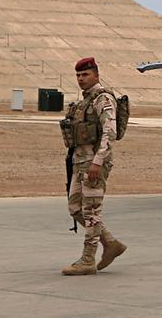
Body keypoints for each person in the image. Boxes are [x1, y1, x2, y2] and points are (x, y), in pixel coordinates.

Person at [60, 57, 127, 275]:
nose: (81, 79)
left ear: (96, 75)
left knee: (91, 211)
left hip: (94, 163)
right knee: (75, 208)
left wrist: (97, 162)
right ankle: (110, 243)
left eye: (85, 75)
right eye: (78, 75)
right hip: (80, 162)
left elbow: (110, 132)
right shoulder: (84, 101)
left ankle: (88, 259)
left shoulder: (103, 99)